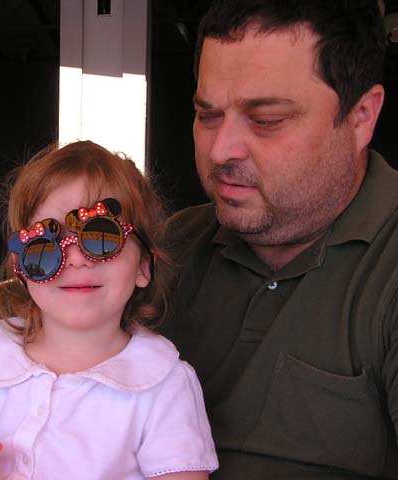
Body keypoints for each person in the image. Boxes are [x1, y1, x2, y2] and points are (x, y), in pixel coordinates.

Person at [160, 0, 398, 478]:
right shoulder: (169, 248)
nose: (221, 150)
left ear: (361, 116)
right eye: (208, 115)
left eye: (266, 119)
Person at [0, 141, 219, 480]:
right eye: (44, 246)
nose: (75, 259)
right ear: (21, 268)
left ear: (143, 266)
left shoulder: (164, 384)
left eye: (101, 237)